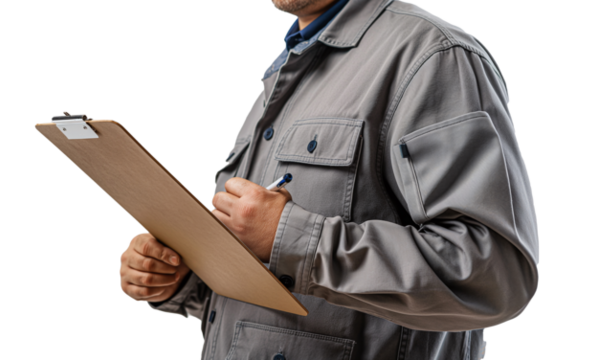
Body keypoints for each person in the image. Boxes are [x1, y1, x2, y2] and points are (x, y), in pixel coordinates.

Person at [116, 0, 539, 359]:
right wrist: (181, 279)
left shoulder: (432, 55)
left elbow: (494, 276)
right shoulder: (286, 72)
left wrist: (291, 236)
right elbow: (280, 294)